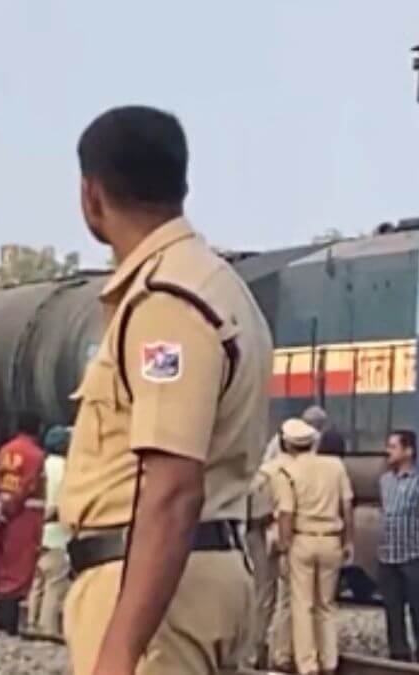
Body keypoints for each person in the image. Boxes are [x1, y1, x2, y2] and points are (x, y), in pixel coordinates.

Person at [59, 106, 273, 675]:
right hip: (188, 580)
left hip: (153, 593)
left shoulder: (166, 301)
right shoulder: (220, 287)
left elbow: (174, 489)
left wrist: (120, 649)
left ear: (91, 195)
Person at [274, 418, 354, 675]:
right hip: (331, 540)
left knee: (302, 604)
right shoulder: (335, 466)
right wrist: (348, 540)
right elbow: (347, 506)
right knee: (326, 605)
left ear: (287, 444)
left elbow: (286, 513)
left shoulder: (288, 471)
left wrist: (284, 546)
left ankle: (308, 664)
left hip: (302, 540)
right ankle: (329, 661)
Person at [377, 429, 419, 663]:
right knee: (392, 608)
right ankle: (398, 653)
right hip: (388, 556)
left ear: (408, 451)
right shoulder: (384, 481)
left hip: (415, 554)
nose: (387, 451)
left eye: (393, 447)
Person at [0, 410, 45, 636]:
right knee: (20, 568)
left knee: (3, 566)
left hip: (2, 512)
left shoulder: (5, 450)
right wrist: (11, 508)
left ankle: (1, 621)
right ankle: (9, 625)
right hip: (24, 516)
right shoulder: (36, 455)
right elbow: (28, 486)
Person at [253, 423, 300, 671]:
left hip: (259, 533)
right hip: (284, 535)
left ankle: (255, 649)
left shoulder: (265, 471)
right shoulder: (294, 470)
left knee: (263, 596)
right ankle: (282, 653)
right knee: (287, 599)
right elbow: (286, 510)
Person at [28, 426, 71, 637]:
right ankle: (47, 627)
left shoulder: (42, 465)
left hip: (38, 532)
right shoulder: (66, 469)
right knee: (55, 582)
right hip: (57, 534)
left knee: (38, 581)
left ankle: (31, 621)